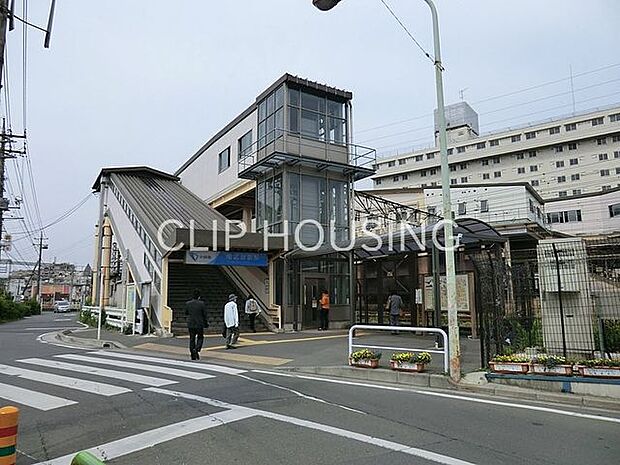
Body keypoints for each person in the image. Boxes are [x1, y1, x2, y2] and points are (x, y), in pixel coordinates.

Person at [185, 289, 208, 360]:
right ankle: (197, 349)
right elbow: (204, 314)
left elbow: (186, 313)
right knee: (200, 337)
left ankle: (192, 353)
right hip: (199, 324)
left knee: (192, 338)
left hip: (191, 324)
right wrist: (206, 323)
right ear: (199, 296)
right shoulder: (202, 304)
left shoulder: (188, 303)